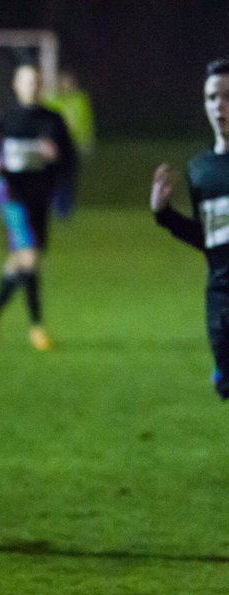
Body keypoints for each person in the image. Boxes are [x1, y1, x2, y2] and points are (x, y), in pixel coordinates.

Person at [0, 61, 75, 352]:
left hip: (40, 196)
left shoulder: (53, 120)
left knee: (20, 260)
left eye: (36, 82)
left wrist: (55, 155)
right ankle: (37, 328)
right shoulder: (5, 118)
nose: (31, 87)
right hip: (12, 194)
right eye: (26, 82)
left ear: (41, 86)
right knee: (29, 258)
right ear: (16, 86)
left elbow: (69, 157)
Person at [151, 59, 229, 401]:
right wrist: (164, 215)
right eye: (212, 97)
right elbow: (209, 239)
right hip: (221, 298)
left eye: (227, 96)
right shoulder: (200, 171)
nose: (219, 106)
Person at [42, 67, 96, 218]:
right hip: (54, 146)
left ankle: (65, 211)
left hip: (73, 145)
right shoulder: (52, 99)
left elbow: (87, 121)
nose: (68, 85)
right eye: (65, 82)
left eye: (70, 82)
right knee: (52, 178)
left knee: (69, 179)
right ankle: (52, 208)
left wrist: (87, 142)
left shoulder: (80, 99)